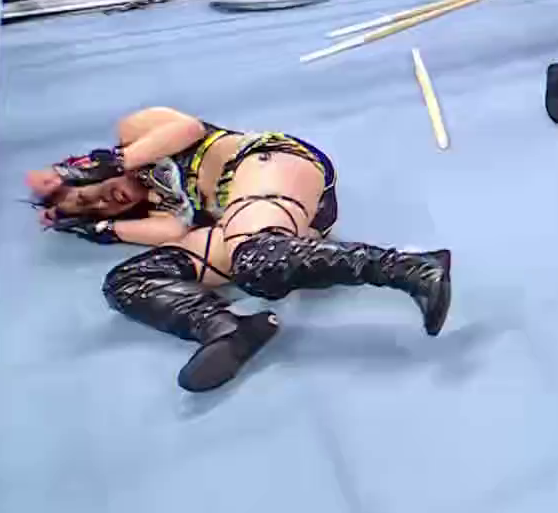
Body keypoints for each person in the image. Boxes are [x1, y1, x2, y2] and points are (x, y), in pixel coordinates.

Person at [29, 107, 453, 393]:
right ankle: (229, 330)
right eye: (93, 209)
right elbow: (170, 231)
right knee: (129, 280)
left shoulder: (133, 133)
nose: (103, 201)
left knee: (252, 256)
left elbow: (187, 129)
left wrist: (114, 162)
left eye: (87, 194)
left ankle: (409, 268)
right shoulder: (163, 209)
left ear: (85, 171)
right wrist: (101, 228)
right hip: (259, 222)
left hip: (269, 166)